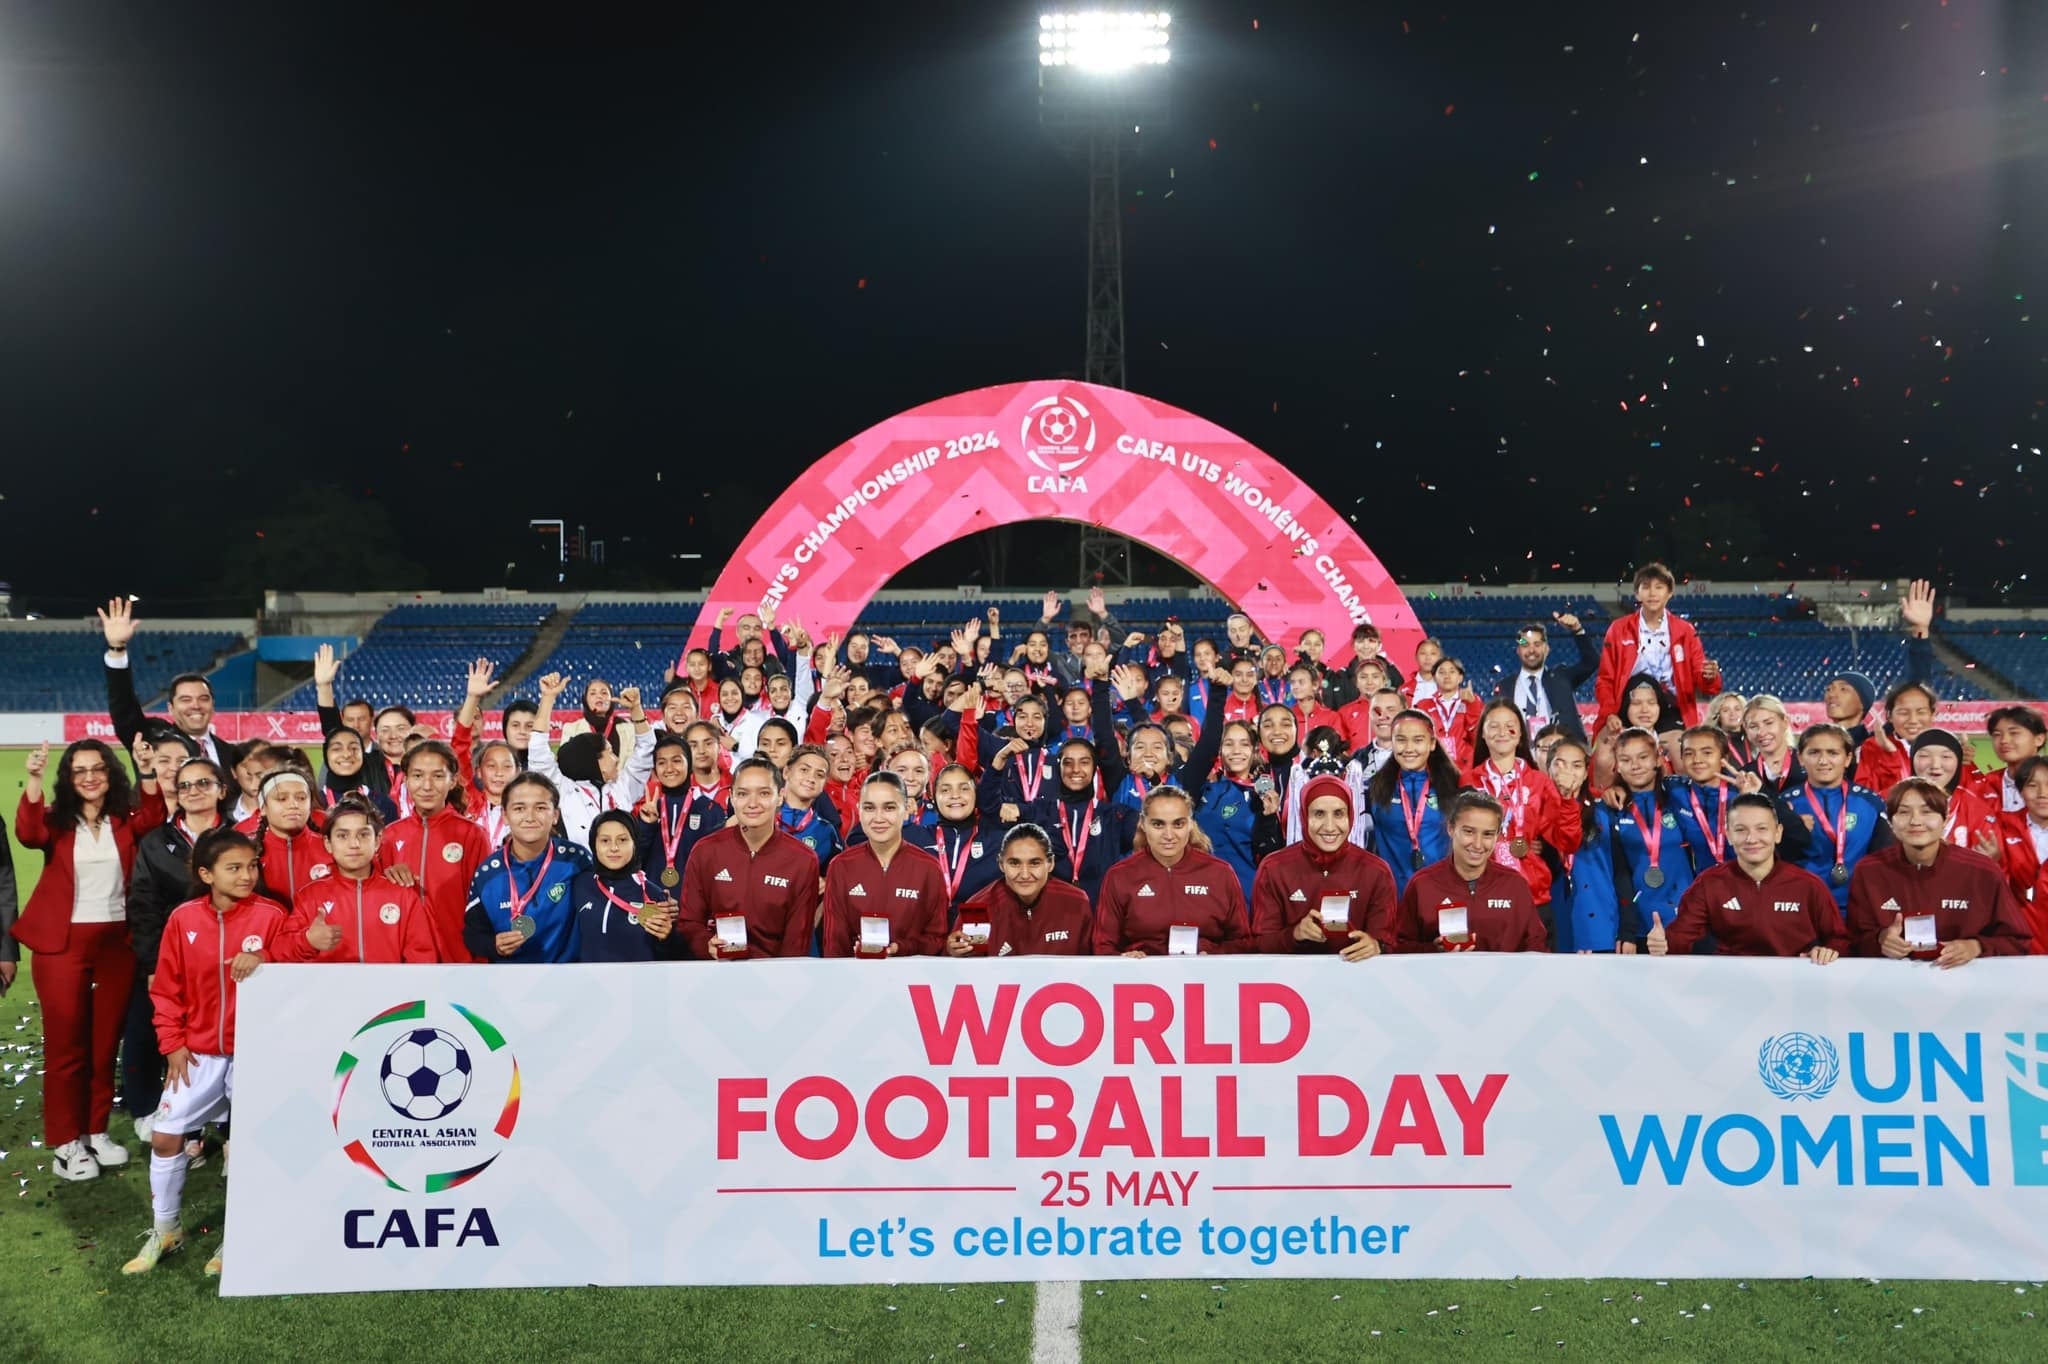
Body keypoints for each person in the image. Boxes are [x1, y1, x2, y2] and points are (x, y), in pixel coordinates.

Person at [121, 827, 285, 1277]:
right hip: (197, 1053)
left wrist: (267, 955)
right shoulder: (183, 919)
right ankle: (166, 1230)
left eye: (252, 866)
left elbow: (300, 963)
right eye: (234, 868)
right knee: (165, 1135)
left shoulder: (272, 915)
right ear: (206, 873)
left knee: (249, 1146)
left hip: (254, 1052)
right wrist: (172, 1043)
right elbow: (167, 988)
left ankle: (240, 1240)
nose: (247, 875)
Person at [14, 739, 164, 1181]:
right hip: (63, 943)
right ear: (68, 778)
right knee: (65, 1047)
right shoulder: (57, 822)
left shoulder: (124, 819)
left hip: (116, 944)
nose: (89, 777)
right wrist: (35, 780)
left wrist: (148, 772)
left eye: (97, 768)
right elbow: (28, 833)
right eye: (79, 770)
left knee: (103, 1045)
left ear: (110, 773)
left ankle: (94, 1131)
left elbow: (154, 817)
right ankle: (65, 1143)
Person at [125, 755, 227, 1140]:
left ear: (222, 790)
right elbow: (143, 905)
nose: (194, 792)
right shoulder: (157, 841)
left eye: (204, 783)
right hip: (174, 959)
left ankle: (219, 1122)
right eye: (185, 785)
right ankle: (154, 1110)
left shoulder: (242, 835)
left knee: (219, 1037)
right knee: (160, 1032)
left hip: (227, 960)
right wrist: (153, 963)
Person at [1846, 779, 2032, 963]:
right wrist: (1880, 940)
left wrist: (1976, 947)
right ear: (1891, 823)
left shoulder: (1982, 872)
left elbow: (2017, 940)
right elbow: (1853, 940)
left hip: (1965, 983)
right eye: (1903, 812)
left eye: (1927, 812)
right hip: (1894, 984)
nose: (1915, 821)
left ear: (1945, 820)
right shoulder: (1869, 870)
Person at [1649, 794, 1846, 961]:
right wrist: (1663, 942)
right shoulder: (1709, 884)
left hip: (1792, 990)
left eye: (1761, 829)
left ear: (1778, 833)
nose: (1751, 839)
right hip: (1731, 990)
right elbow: (1681, 938)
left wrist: (1827, 951)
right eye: (1741, 830)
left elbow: (1840, 941)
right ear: (1728, 835)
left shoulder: (1808, 886)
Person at [678, 759, 820, 959]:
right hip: (715, 973)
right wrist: (706, 945)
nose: (752, 804)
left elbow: (797, 942)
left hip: (775, 979)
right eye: (743, 794)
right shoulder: (705, 851)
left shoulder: (803, 860)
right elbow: (689, 922)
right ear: (731, 798)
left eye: (763, 793)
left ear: (780, 796)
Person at [1093, 786, 1256, 956]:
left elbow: (1243, 942)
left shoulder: (1220, 873)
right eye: (1158, 824)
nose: (1168, 835)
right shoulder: (1120, 876)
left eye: (1178, 824)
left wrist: (1214, 955)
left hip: (1206, 978)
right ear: (1142, 824)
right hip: (1141, 978)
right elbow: (1103, 945)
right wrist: (1123, 959)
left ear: (1191, 825)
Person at [274, 798, 437, 963]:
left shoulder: (403, 895)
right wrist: (308, 941)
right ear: (328, 843)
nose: (354, 844)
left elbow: (422, 958)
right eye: (342, 836)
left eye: (364, 834)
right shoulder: (309, 897)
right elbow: (280, 951)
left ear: (378, 840)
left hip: (389, 989)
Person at [1250, 775, 1396, 959]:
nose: (1329, 826)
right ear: (1304, 815)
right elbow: (1260, 944)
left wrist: (1376, 946)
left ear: (1350, 815)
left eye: (1338, 814)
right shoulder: (1273, 869)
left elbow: (1389, 942)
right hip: (1291, 982)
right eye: (1319, 814)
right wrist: (1294, 934)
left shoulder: (1376, 871)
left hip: (1360, 980)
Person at [1464, 701, 1582, 928]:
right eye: (1493, 726)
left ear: (1520, 736)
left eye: (1510, 726)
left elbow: (1567, 842)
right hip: (1480, 891)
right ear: (1483, 736)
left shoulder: (1539, 781)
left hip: (1532, 896)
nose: (1501, 733)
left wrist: (1567, 800)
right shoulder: (1469, 781)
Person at [1390, 792, 1547, 952]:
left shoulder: (1514, 885)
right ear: (1451, 828)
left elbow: (1536, 946)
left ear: (1497, 835)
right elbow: (1398, 947)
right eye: (1469, 832)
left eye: (1487, 834)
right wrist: (1433, 951)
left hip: (1503, 977)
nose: (1478, 844)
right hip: (1441, 976)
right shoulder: (1422, 885)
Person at [378, 740, 491, 963]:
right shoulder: (389, 836)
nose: (427, 786)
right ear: (406, 781)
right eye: (418, 776)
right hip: (403, 960)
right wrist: (386, 878)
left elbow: (483, 905)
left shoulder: (471, 834)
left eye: (438, 776)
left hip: (457, 959)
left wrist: (479, 961)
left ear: (452, 781)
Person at [462, 773, 592, 964]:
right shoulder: (488, 873)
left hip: (568, 981)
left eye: (540, 808)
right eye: (519, 808)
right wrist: (493, 945)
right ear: (505, 815)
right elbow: (473, 934)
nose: (529, 817)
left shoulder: (577, 861)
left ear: (555, 815)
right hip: (510, 985)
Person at [96, 598, 238, 768]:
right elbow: (123, 707)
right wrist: (116, 647)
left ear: (212, 705)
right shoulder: (151, 741)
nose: (196, 705)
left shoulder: (232, 755)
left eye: (203, 698)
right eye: (185, 699)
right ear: (171, 708)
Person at [823, 773, 948, 958]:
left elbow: (937, 939)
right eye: (869, 808)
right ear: (859, 810)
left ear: (906, 810)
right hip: (854, 980)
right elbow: (834, 944)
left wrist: (901, 948)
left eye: (889, 808)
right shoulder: (841, 866)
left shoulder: (928, 868)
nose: (878, 818)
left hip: (911, 980)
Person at [526, 674, 655, 848]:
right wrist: (548, 698)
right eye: (609, 753)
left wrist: (637, 709)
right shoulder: (564, 790)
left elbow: (646, 747)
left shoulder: (623, 787)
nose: (617, 759)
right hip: (578, 873)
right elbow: (538, 751)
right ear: (595, 761)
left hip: (619, 873)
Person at [1594, 562, 1721, 733]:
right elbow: (1605, 679)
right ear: (1637, 594)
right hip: (1628, 706)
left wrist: (1710, 676)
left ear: (1669, 593)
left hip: (1672, 707)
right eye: (1645, 587)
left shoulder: (1685, 631)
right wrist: (1609, 712)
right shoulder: (1619, 629)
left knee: (1681, 754)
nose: (1652, 593)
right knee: (1603, 756)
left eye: (1659, 587)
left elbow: (1706, 684)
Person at [1783, 723, 1893, 910]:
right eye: (1814, 752)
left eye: (1833, 753)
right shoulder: (1785, 805)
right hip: (1803, 907)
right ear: (1800, 758)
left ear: (1848, 758)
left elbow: (1884, 859)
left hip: (1857, 907)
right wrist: (1793, 831)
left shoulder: (1871, 803)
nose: (1823, 761)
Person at [948, 824, 1096, 956]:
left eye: (1034, 863)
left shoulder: (1076, 902)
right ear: (1001, 864)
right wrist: (954, 953)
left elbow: (1091, 968)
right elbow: (971, 970)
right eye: (1014, 863)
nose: (1024, 874)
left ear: (1050, 864)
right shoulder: (978, 908)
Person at [1606, 726, 1694, 943]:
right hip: (1638, 922)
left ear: (1657, 759)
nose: (1635, 766)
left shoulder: (1679, 797)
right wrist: (1626, 931)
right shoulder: (1612, 809)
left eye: (1643, 757)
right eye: (1626, 760)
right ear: (1617, 766)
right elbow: (1618, 873)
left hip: (1686, 916)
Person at [1367, 711, 1463, 898]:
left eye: (1418, 740)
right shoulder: (1376, 788)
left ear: (1432, 743)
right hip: (1393, 897)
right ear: (1392, 743)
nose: (1409, 748)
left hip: (1442, 894)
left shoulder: (1453, 786)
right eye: (1401, 740)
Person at [1191, 720, 1285, 903]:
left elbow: (1271, 855)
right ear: (1219, 750)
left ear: (1254, 750)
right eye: (1228, 744)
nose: (1236, 751)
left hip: (1245, 893)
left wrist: (1269, 817)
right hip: (1201, 891)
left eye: (1244, 744)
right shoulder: (1203, 789)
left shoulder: (1263, 795)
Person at [572, 810, 684, 962]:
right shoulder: (579, 885)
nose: (614, 848)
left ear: (635, 844)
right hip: (586, 983)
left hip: (637, 984)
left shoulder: (654, 895)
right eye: (605, 841)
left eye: (623, 840)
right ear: (593, 844)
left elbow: (671, 958)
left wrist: (667, 938)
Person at [1045, 738, 1136, 905]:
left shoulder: (1115, 815)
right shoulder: (1041, 811)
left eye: (1084, 762)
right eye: (1068, 763)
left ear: (1095, 768)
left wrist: (1154, 782)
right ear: (1058, 768)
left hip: (1101, 915)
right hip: (1054, 915)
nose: (1076, 770)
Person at [636, 732, 731, 887]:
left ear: (690, 764)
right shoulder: (649, 810)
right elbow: (635, 861)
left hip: (692, 904)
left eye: (676, 761)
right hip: (653, 903)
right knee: (647, 912)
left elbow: (716, 866)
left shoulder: (710, 809)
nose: (669, 768)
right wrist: (646, 825)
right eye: (661, 763)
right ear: (655, 769)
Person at [1496, 614, 1596, 742]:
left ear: (1547, 649)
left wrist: (1577, 630)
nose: (1531, 650)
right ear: (1518, 650)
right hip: (1521, 757)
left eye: (1537, 644)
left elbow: (1591, 662)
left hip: (1560, 755)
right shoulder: (1505, 686)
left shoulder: (1561, 678)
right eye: (1525, 645)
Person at [1908, 729, 2002, 859]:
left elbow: (1996, 869)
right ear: (1912, 760)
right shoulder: (1890, 801)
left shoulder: (1978, 809)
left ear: (1959, 762)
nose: (1935, 765)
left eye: (1946, 757)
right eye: (1924, 756)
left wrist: (1991, 861)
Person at [247, 770, 334, 902]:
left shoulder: (332, 848)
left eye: (301, 798)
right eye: (282, 798)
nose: (293, 805)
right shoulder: (248, 855)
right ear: (263, 807)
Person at [927, 763, 1001, 910]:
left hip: (979, 930)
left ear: (976, 794)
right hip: (928, 930)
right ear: (933, 797)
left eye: (964, 788)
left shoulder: (997, 841)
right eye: (945, 790)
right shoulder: (915, 837)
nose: (955, 795)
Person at [1856, 677, 1938, 796]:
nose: (1913, 720)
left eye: (1921, 712)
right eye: (1904, 713)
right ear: (1889, 715)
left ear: (1933, 715)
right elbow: (1864, 798)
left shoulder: (1946, 749)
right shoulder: (1874, 747)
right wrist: (1891, 755)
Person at [1996, 757, 2048, 938]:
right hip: (2018, 941)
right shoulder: (2002, 825)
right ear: (2020, 790)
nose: (2042, 793)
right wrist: (1994, 860)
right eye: (2032, 785)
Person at [1971, 705, 2048, 813]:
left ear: (2039, 739)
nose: (2004, 740)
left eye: (2014, 733)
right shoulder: (1985, 785)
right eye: (1997, 735)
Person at [318, 726, 393, 819]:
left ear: (362, 754)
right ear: (326, 755)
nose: (347, 755)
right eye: (337, 749)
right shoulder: (313, 804)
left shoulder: (384, 804)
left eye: (354, 748)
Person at [1740, 694, 1805, 796]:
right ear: (1746, 729)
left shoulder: (1808, 765)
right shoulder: (1745, 775)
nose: (1761, 732)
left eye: (1769, 723)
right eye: (1753, 726)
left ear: (1785, 722)